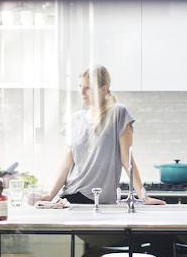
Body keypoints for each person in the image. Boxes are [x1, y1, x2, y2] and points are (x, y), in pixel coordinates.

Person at [40, 65, 166, 205]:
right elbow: (66, 163)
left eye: (88, 88)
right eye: (80, 86)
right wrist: (50, 195)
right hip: (70, 197)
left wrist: (144, 197)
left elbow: (127, 159)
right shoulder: (75, 119)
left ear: (103, 89)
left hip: (97, 199)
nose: (82, 92)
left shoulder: (118, 113)